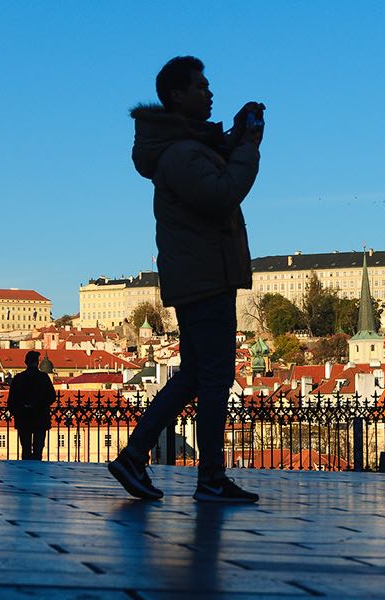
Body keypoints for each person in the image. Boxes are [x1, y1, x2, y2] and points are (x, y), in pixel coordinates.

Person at [108, 56, 263, 503]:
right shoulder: (180, 153)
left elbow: (213, 170)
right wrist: (248, 147)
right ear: (177, 95)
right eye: (200, 87)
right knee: (214, 380)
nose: (209, 92)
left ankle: (135, 456)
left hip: (199, 274)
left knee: (193, 375)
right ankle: (210, 478)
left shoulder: (185, 146)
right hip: (205, 277)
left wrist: (237, 135)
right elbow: (221, 194)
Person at [7, 351, 56, 460]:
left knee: (26, 448)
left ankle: (26, 470)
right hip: (40, 417)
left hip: (23, 417)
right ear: (37, 363)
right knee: (38, 448)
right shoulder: (43, 378)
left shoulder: (19, 378)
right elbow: (52, 397)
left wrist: (19, 410)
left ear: (26, 362)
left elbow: (11, 401)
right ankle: (37, 469)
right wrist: (40, 405)